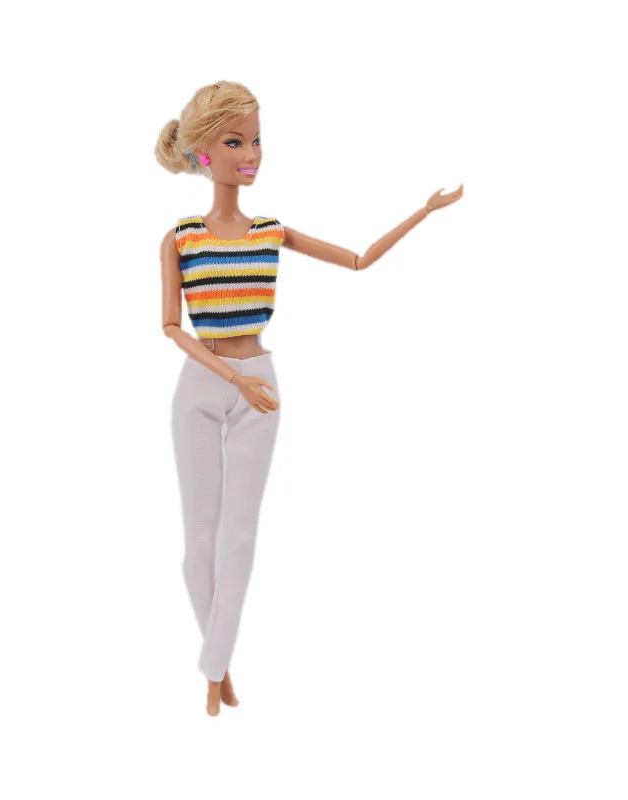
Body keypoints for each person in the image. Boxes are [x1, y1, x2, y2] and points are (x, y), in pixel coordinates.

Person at [156, 80, 463, 716]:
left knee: (240, 537)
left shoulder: (271, 231)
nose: (252, 154)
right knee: (198, 544)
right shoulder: (181, 236)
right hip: (204, 383)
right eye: (235, 142)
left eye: (257, 140)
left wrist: (424, 212)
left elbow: (357, 260)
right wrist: (230, 378)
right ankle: (219, 666)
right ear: (204, 153)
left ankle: (214, 672)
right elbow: (170, 327)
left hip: (260, 384)